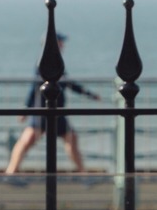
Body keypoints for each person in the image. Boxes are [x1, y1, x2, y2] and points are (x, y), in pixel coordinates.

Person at [5, 33, 102, 174]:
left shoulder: (52, 62)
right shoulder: (46, 63)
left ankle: (83, 173)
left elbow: (67, 83)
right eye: (61, 42)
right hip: (46, 111)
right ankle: (11, 172)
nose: (63, 45)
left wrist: (90, 95)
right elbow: (35, 88)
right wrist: (26, 109)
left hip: (51, 111)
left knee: (68, 139)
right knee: (30, 140)